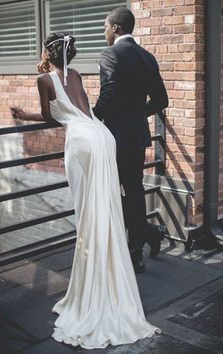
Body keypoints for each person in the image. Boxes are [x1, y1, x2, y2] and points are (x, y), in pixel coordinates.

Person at [10, 32, 160, 349]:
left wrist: (23, 115)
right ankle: (110, 282)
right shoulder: (76, 74)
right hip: (102, 136)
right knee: (105, 209)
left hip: (80, 141)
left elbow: (52, 117)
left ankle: (93, 291)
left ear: (47, 53)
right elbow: (83, 108)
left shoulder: (44, 80)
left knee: (88, 216)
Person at [93, 7, 169, 273]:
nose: (104, 32)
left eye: (105, 27)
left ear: (116, 28)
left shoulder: (110, 53)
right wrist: (136, 113)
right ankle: (140, 246)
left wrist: (90, 118)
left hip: (113, 136)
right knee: (134, 192)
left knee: (110, 191)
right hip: (136, 135)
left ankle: (144, 236)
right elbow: (162, 100)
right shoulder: (147, 57)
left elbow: (108, 94)